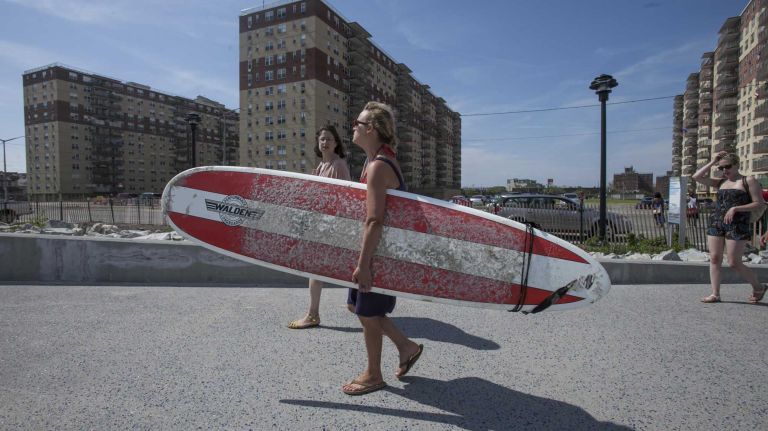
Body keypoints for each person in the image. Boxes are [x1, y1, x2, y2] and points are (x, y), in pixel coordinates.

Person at [341, 101, 423, 396]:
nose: (353, 127)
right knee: (357, 307)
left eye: (357, 123)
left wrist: (363, 265)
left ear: (370, 129)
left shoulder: (378, 166)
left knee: (366, 311)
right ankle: (406, 346)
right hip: (376, 251)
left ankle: (374, 374)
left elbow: (375, 220)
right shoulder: (379, 159)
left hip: (376, 255)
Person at [287, 125, 351, 329]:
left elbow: (345, 197)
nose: (325, 142)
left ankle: (315, 314)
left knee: (321, 268)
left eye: (329, 139)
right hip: (319, 225)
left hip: (331, 227)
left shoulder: (339, 165)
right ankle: (314, 313)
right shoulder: (321, 166)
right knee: (316, 269)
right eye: (322, 139)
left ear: (336, 143)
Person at [691, 151, 767, 304]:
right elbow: (696, 177)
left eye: (727, 167)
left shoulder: (748, 180)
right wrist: (713, 161)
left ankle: (758, 287)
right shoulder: (720, 182)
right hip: (717, 222)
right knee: (714, 258)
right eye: (721, 168)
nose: (724, 170)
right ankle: (715, 293)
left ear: (737, 165)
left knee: (734, 261)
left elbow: (758, 203)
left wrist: (736, 209)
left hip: (738, 224)